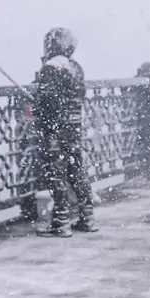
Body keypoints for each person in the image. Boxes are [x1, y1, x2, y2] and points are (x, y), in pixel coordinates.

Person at [33, 27, 96, 237]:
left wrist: (37, 101)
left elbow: (46, 102)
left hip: (55, 129)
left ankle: (61, 222)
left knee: (56, 174)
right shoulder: (76, 67)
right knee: (77, 170)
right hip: (74, 127)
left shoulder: (50, 68)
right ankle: (87, 218)